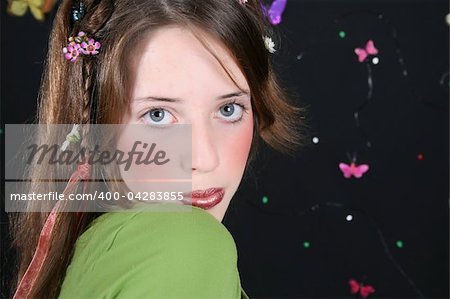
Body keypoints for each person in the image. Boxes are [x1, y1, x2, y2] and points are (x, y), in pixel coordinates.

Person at [9, 0, 305, 298]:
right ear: (97, 124)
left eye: (228, 109)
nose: (203, 158)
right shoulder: (186, 244)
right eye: (158, 115)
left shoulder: (101, 248)